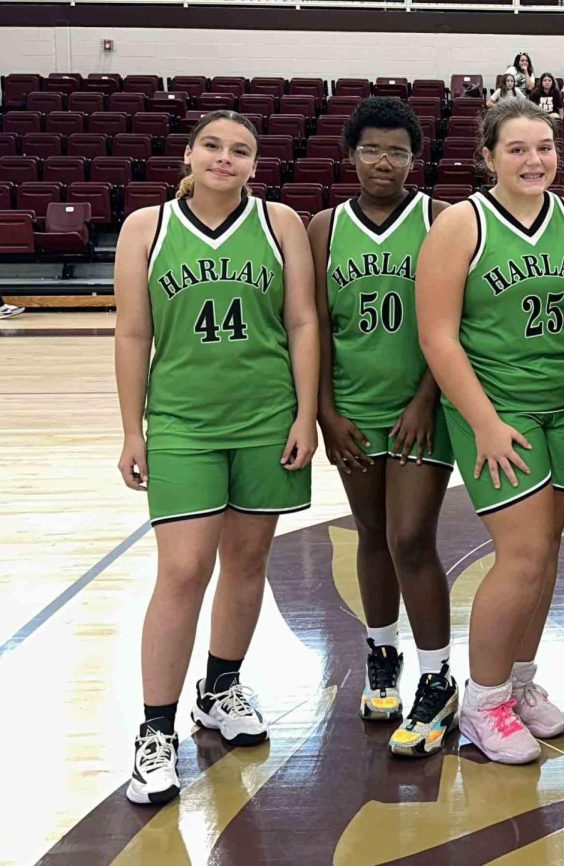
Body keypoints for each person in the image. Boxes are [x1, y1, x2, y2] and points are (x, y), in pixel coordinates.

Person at [114, 110, 317, 805]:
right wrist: (132, 429)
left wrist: (304, 412)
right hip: (181, 423)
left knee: (248, 561)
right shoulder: (148, 227)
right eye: (212, 145)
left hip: (265, 418)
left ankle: (220, 688)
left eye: (240, 150)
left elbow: (301, 321)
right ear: (191, 154)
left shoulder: (280, 223)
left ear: (255, 166)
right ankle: (153, 732)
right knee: (183, 570)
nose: (224, 158)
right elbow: (133, 334)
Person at [415, 99, 564, 764]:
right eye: (518, 149)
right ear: (489, 156)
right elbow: (438, 338)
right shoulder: (459, 224)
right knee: (523, 556)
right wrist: (486, 424)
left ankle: (520, 683)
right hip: (497, 410)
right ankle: (482, 703)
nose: (535, 161)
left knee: (548, 554)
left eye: (545, 148)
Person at [307, 97, 457, 758]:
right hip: (353, 411)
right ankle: (381, 656)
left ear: (414, 158)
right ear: (350, 154)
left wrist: (427, 398)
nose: (384, 161)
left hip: (423, 409)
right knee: (371, 534)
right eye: (371, 149)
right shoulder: (322, 229)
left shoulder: (441, 220)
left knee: (411, 537)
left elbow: (456, 324)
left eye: (397, 150)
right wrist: (325, 412)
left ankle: (438, 675)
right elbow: (312, 328)